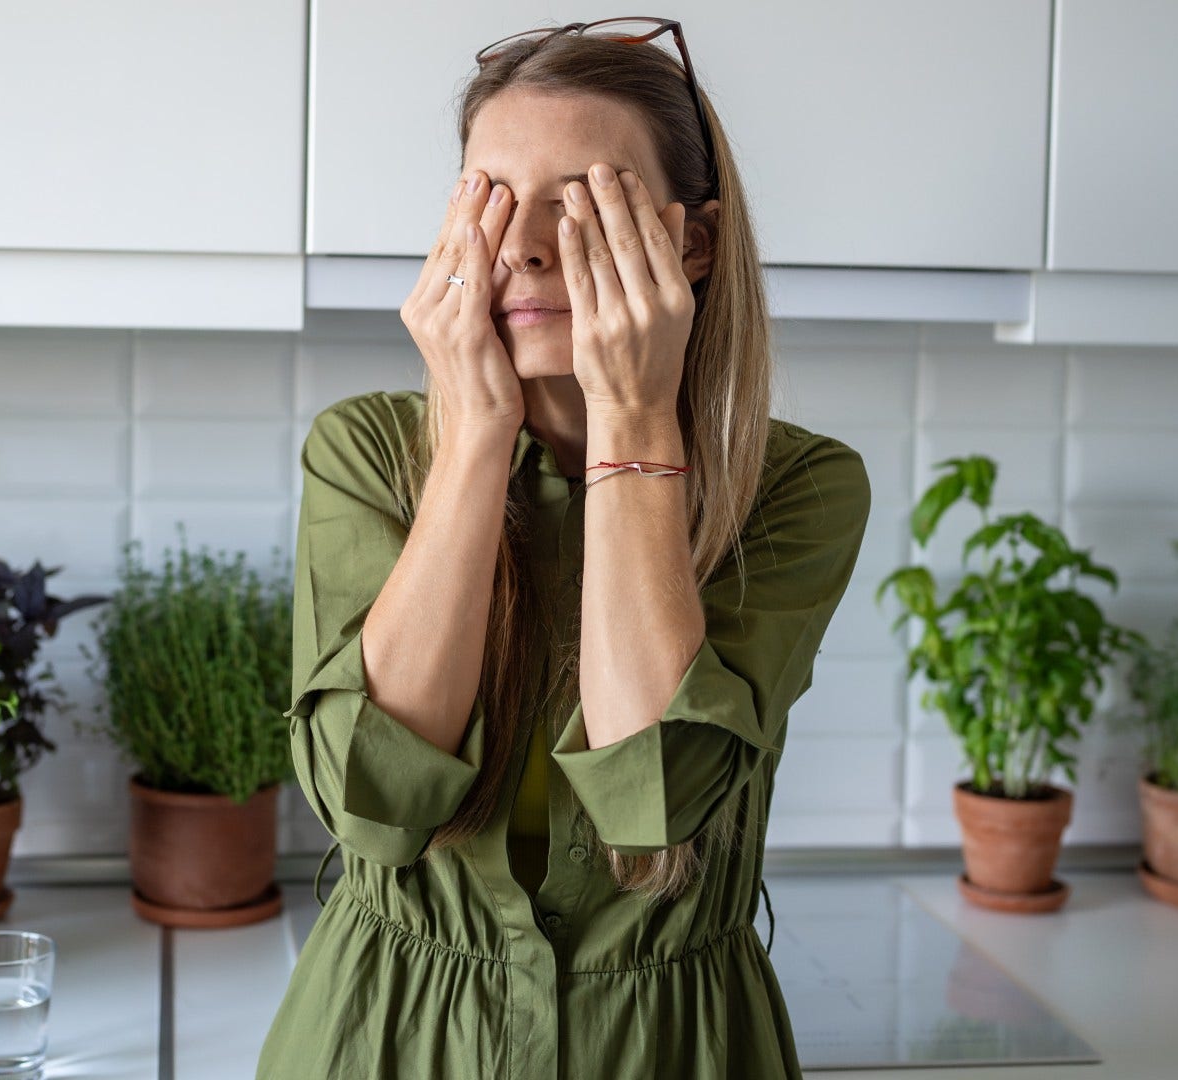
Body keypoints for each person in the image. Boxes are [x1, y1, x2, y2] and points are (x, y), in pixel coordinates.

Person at [256, 19, 872, 1080]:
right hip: (383, 1035)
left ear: (692, 242)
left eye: (585, 201)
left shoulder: (800, 489)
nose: (527, 246)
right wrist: (475, 438)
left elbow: (655, 797)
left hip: (672, 1046)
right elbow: (373, 803)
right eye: (493, 197)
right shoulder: (362, 453)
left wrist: (633, 421)